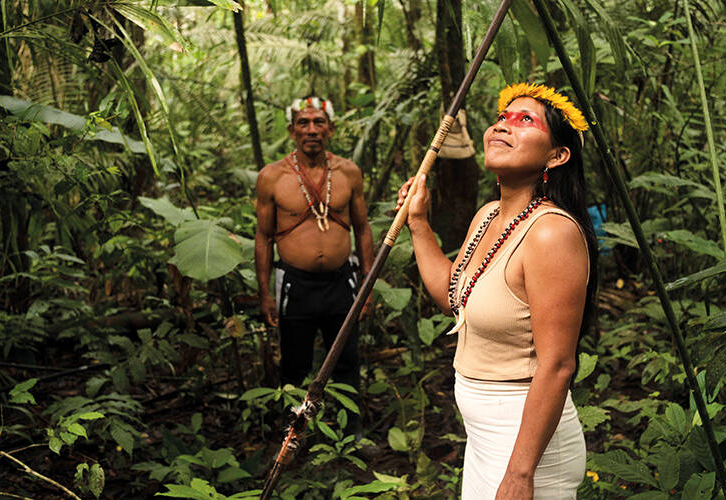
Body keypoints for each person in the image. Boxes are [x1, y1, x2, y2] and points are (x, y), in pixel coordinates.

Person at [395, 83, 598, 499]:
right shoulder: (489, 215)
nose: (503, 126)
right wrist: (418, 223)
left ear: (557, 156)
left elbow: (558, 364)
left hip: (525, 444)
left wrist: (521, 475)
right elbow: (457, 299)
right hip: (485, 437)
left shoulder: (551, 233)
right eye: (503, 117)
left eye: (525, 120)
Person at [255, 96, 374, 402]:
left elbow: (362, 230)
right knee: (295, 365)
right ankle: (294, 439)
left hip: (341, 283)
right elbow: (264, 236)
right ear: (291, 131)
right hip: (296, 285)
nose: (311, 129)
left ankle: (351, 434)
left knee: (347, 362)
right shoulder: (272, 177)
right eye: (303, 123)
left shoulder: (348, 172)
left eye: (318, 122)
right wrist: (265, 293)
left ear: (330, 129)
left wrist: (367, 284)